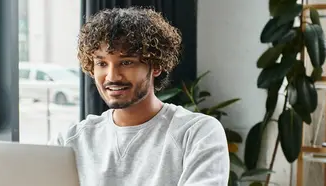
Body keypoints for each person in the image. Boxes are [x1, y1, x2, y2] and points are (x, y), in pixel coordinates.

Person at [53, 7, 229, 186]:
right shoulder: (70, 140)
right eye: (102, 63)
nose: (112, 76)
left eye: (127, 62)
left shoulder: (196, 133)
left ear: (156, 66)